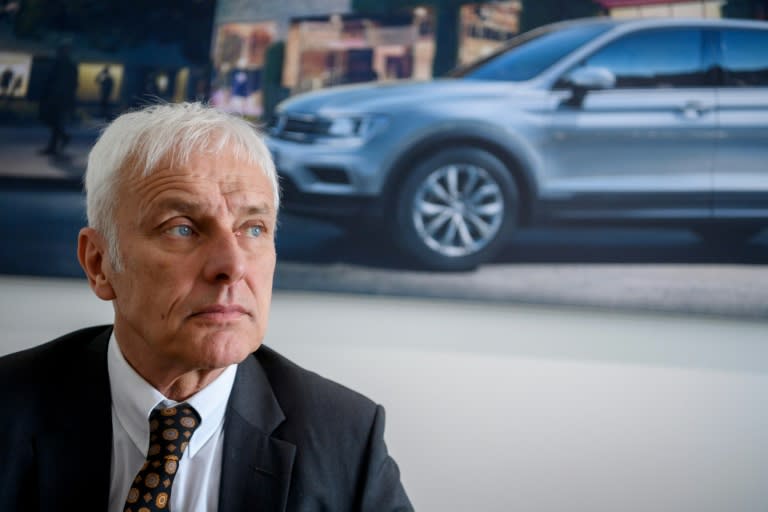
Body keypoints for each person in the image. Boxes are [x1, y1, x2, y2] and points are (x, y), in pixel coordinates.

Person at [0, 102, 413, 512]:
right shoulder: (9, 408)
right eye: (181, 228)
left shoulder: (347, 437)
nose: (232, 266)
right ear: (99, 264)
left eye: (253, 228)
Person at [38, 42, 78, 155]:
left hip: (59, 99)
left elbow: (71, 84)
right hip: (56, 98)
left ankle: (54, 146)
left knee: (54, 121)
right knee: (51, 120)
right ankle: (63, 138)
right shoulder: (60, 64)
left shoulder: (67, 65)